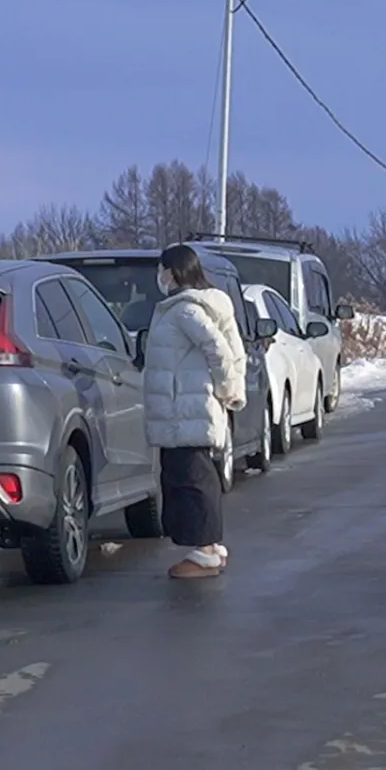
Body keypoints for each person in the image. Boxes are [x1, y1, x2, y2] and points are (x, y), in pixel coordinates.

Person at [143, 244, 247, 580]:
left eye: (161, 269)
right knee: (192, 475)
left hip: (186, 410)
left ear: (172, 272)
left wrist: (229, 389)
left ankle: (204, 552)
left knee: (191, 479)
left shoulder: (186, 311)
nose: (158, 276)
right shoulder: (185, 308)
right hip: (184, 410)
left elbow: (218, 349)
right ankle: (210, 547)